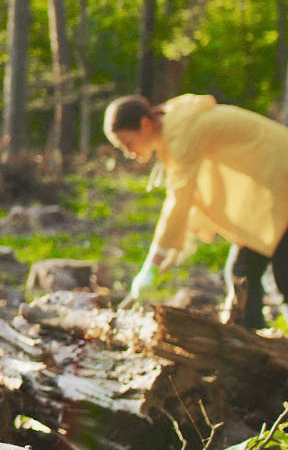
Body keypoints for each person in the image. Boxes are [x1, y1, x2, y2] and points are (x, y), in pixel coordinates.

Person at [104, 93, 288, 329]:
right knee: (242, 273)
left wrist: (152, 263)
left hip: (281, 186)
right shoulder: (175, 127)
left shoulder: (181, 130)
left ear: (145, 124)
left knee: (283, 276)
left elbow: (179, 199)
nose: (128, 152)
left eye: (128, 143)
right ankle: (253, 348)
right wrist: (169, 252)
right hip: (274, 196)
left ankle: (263, 351)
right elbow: (191, 197)